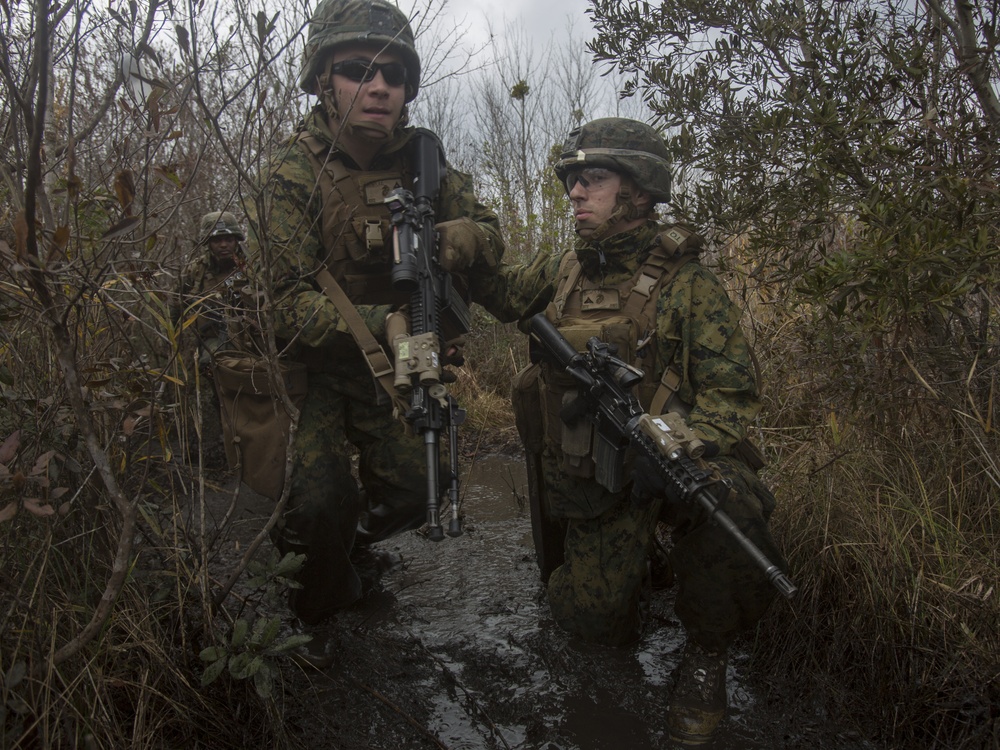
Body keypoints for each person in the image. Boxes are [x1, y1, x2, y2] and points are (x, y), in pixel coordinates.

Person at [498, 118, 788, 745]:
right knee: (590, 624)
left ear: (637, 189)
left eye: (592, 179)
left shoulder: (689, 284)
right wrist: (460, 244)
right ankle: (637, 564)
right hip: (599, 472)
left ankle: (707, 652)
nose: (575, 192)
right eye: (572, 180)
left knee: (728, 502)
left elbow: (732, 394)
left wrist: (683, 441)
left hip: (674, 460)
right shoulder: (564, 268)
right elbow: (503, 295)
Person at [244, 0, 503, 664]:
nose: (379, 85)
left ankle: (346, 545)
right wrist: (376, 327)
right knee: (319, 497)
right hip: (316, 368)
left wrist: (461, 237)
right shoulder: (293, 171)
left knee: (423, 485)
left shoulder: (425, 160)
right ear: (324, 82)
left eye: (393, 73)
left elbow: (490, 235)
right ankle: (324, 602)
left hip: (400, 363)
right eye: (358, 69)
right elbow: (281, 303)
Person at [173, 211, 249, 470]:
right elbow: (177, 306)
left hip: (251, 337)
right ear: (208, 243)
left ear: (237, 239)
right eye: (218, 240)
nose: (224, 244)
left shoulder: (251, 264)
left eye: (228, 238)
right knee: (200, 388)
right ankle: (208, 454)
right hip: (208, 340)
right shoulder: (195, 269)